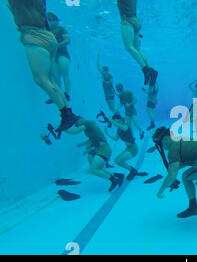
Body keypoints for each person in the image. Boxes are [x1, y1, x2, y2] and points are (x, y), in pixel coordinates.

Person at [7, 0, 79, 134]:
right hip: (48, 37)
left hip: (34, 38)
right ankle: (68, 111)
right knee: (50, 80)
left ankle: (66, 114)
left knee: (41, 79)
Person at [66, 118, 125, 192]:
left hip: (104, 149)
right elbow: (91, 140)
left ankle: (114, 180)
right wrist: (81, 144)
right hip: (103, 149)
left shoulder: (88, 123)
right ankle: (119, 175)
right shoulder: (90, 128)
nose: (78, 124)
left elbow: (74, 132)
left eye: (77, 122)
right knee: (98, 169)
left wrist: (63, 128)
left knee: (93, 169)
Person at [117, 0, 158, 86]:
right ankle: (151, 70)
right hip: (136, 21)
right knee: (137, 49)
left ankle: (145, 69)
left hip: (126, 20)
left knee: (128, 47)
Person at [104, 114, 145, 181]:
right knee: (116, 160)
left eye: (117, 121)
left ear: (121, 120)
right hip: (128, 148)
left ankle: (132, 171)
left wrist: (111, 120)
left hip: (133, 148)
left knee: (119, 160)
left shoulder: (126, 126)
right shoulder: (118, 130)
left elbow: (118, 125)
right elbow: (115, 138)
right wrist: (107, 134)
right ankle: (132, 170)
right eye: (115, 121)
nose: (116, 123)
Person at [47, 12, 71, 102]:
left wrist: (57, 45)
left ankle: (66, 93)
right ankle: (57, 94)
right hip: (53, 55)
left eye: (54, 20)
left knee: (64, 73)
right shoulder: (47, 31)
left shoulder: (61, 29)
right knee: (55, 76)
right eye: (50, 20)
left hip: (62, 53)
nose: (52, 22)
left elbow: (67, 40)